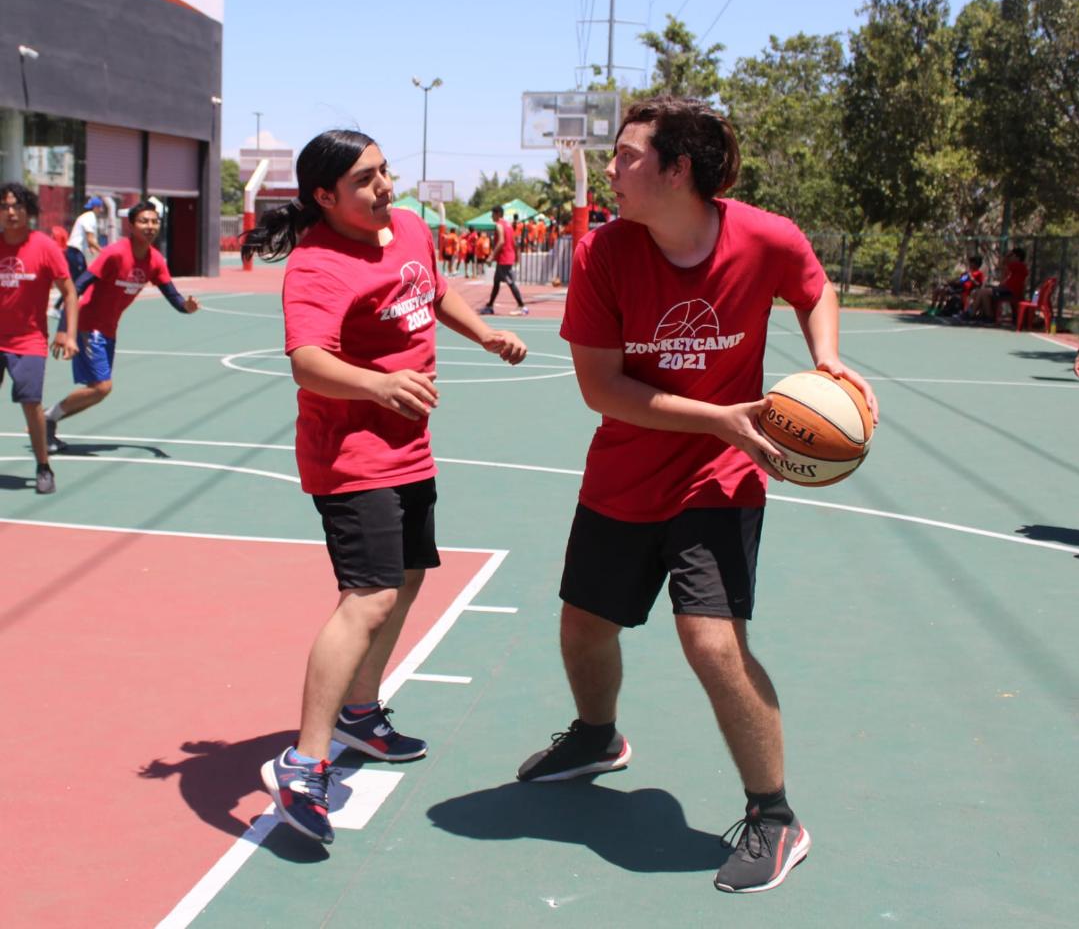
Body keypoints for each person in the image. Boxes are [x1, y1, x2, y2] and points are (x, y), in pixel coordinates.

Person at [515, 97, 878, 895]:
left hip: (722, 476)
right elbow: (602, 387)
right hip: (629, 468)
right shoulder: (604, 253)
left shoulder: (765, 236)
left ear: (678, 170)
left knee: (713, 643)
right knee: (583, 626)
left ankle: (776, 817)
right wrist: (722, 416)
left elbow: (812, 286)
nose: (611, 168)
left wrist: (828, 361)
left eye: (626, 155)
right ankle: (597, 737)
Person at [244, 129, 526, 845]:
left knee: (405, 578)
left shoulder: (405, 229)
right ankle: (304, 763)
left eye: (385, 171)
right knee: (367, 598)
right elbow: (307, 361)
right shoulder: (315, 266)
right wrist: (379, 382)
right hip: (350, 454)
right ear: (325, 197)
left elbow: (432, 293)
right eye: (367, 179)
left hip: (409, 448)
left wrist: (485, 334)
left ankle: (360, 714)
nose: (385, 187)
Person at [44, 201, 200, 450]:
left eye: (154, 221)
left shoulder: (155, 261)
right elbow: (79, 286)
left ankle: (47, 421)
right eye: (144, 221)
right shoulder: (115, 253)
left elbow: (174, 296)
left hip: (108, 329)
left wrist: (186, 307)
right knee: (102, 387)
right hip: (88, 324)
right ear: (132, 225)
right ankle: (47, 419)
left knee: (97, 390)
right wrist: (65, 327)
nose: (150, 226)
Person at [0, 183, 78, 493]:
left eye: (17, 206)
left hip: (28, 340)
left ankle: (43, 465)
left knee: (31, 403)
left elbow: (70, 292)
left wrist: (67, 333)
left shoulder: (44, 246)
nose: (10, 212)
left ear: (29, 212)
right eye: (5, 206)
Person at [479, 205, 528, 316]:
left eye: (492, 214)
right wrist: (516, 256)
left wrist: (491, 256)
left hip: (504, 258)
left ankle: (522, 306)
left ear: (497, 214)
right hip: (507, 257)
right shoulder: (509, 225)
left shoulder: (499, 225)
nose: (491, 216)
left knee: (510, 283)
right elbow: (514, 242)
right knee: (496, 283)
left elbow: (501, 241)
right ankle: (490, 306)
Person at [964, 248, 1028, 324]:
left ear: (1018, 257)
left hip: (1010, 291)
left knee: (983, 292)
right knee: (978, 292)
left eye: (1012, 255)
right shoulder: (1016, 267)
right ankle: (982, 314)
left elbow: (1001, 265)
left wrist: (1006, 256)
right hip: (1006, 289)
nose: (1010, 257)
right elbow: (1004, 273)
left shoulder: (1018, 265)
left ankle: (978, 314)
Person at [66, 196, 104, 280]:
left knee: (77, 279)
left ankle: (71, 293)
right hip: (76, 251)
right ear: (96, 207)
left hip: (74, 251)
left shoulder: (86, 216)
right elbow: (90, 239)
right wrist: (102, 251)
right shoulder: (90, 217)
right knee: (80, 279)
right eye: (100, 207)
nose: (101, 210)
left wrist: (91, 248)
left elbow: (88, 238)